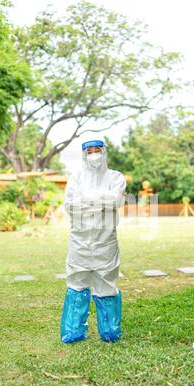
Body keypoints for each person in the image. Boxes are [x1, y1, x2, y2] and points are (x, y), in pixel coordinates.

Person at [60, 139, 126, 344]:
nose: (94, 154)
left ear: (104, 152)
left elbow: (115, 200)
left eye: (98, 150)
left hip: (106, 242)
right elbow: (70, 205)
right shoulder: (76, 178)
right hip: (79, 241)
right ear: (84, 154)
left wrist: (86, 199)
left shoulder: (115, 177)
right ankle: (73, 332)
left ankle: (110, 332)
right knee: (77, 284)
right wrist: (101, 201)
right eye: (89, 151)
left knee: (106, 284)